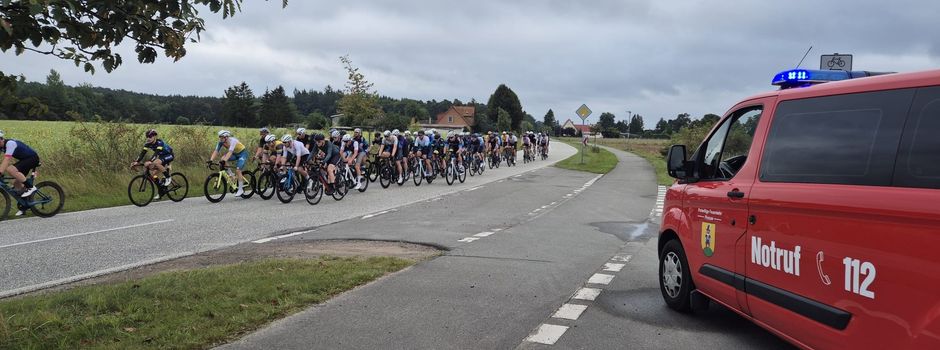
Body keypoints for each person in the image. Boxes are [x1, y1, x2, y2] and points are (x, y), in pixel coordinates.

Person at [0, 130, 40, 200]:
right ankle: (25, 206)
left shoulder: (10, 143)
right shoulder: (1, 147)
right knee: (17, 185)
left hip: (32, 158)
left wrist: (0, 172)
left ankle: (30, 187)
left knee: (10, 169)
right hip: (25, 160)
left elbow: (7, 159)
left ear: (1, 139)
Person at [208, 130, 248, 196]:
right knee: (222, 159)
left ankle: (240, 189)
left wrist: (224, 161)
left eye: (222, 137)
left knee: (238, 170)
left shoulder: (233, 141)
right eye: (219, 137)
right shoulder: (221, 142)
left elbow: (230, 152)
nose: (220, 139)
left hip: (242, 154)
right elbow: (216, 151)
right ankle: (231, 175)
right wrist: (211, 160)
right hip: (235, 154)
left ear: (226, 137)